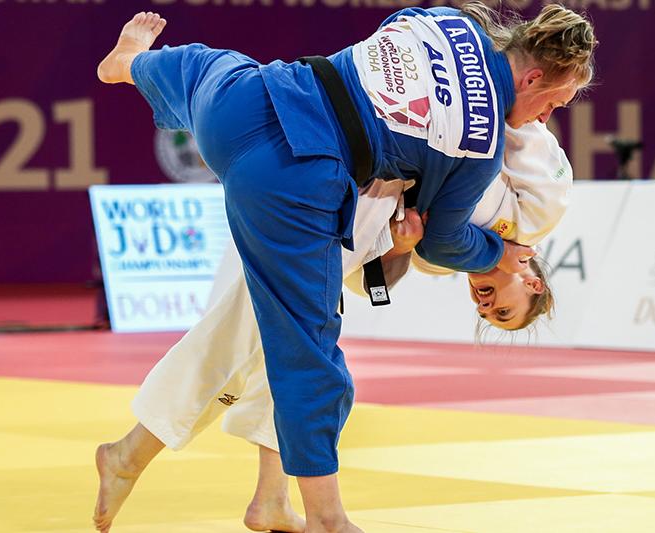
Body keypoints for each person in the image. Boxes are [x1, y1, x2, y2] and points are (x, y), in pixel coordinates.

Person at [94, 4, 596, 532]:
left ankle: (132, 64)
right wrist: (487, 248)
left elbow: (392, 37)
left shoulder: (451, 21)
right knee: (297, 351)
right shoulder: (506, 174)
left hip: (264, 95)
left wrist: (408, 239)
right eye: (555, 103)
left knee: (200, 69)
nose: (546, 117)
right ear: (532, 275)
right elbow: (449, 235)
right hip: (300, 177)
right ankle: (322, 517)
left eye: (487, 312)